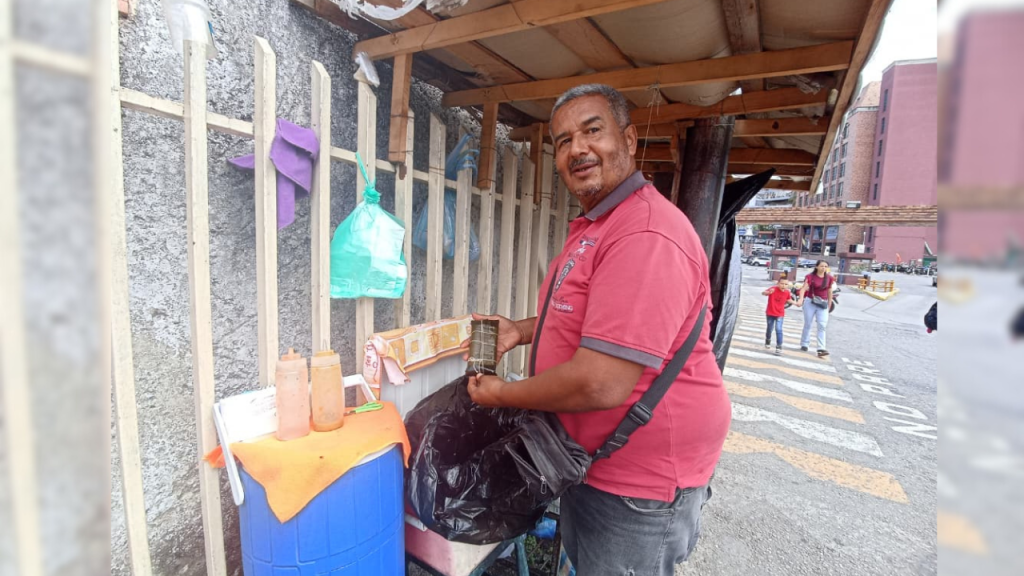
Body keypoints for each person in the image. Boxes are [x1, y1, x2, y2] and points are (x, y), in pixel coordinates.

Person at [461, 84, 729, 575]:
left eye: (592, 130)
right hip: (594, 458)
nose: (577, 149)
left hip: (639, 476)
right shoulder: (599, 225)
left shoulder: (644, 232)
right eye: (563, 140)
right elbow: (589, 318)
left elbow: (600, 381)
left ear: (628, 140)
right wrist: (519, 332)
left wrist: (501, 394)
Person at [796, 259, 835, 357]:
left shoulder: (829, 278)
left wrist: (829, 304)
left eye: (826, 266)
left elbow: (830, 291)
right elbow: (804, 288)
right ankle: (805, 343)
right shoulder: (810, 277)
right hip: (810, 302)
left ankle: (821, 348)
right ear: (817, 267)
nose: (824, 268)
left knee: (822, 325)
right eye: (822, 266)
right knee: (808, 324)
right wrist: (801, 299)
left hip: (822, 303)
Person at [762, 277, 795, 355]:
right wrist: (768, 293)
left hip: (780, 314)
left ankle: (779, 347)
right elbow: (763, 293)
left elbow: (788, 299)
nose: (783, 285)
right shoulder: (773, 289)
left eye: (786, 284)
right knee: (770, 328)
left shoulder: (787, 292)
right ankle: (768, 339)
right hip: (770, 313)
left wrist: (796, 303)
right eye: (782, 283)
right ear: (778, 283)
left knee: (779, 329)